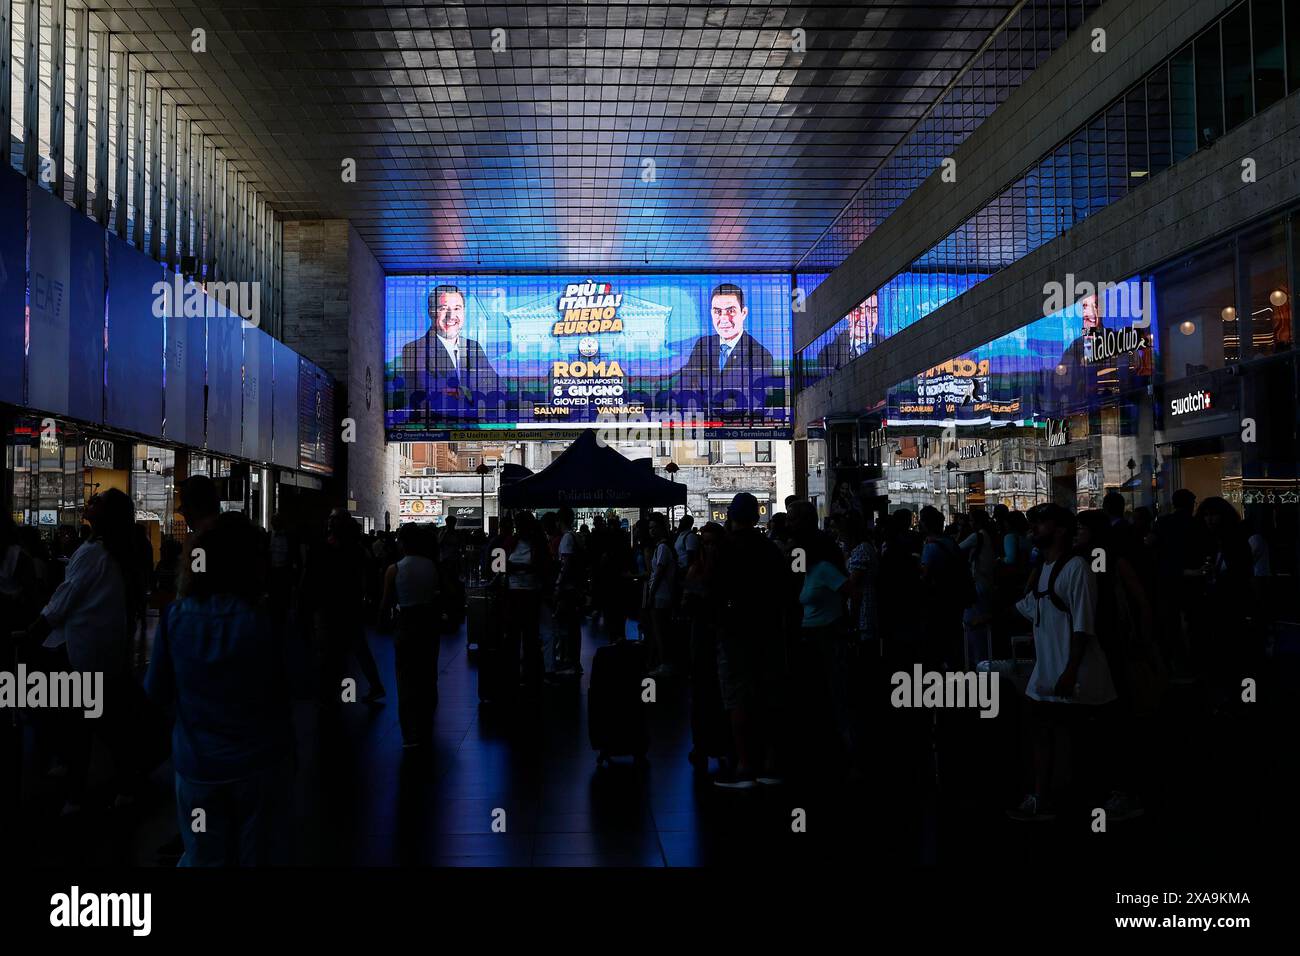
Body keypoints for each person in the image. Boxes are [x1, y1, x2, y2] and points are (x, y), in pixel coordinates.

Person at [145, 512, 294, 865]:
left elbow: (155, 692)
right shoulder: (265, 621)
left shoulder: (175, 618)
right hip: (259, 763)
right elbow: (300, 682)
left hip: (198, 766)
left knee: (203, 854)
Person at [15, 489, 148, 814]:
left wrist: (33, 632)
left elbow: (64, 599)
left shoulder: (92, 552)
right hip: (104, 650)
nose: (90, 501)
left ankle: (75, 790)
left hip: (82, 650)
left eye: (97, 501)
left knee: (78, 721)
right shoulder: (118, 552)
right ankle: (115, 786)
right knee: (100, 722)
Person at [1009, 503, 1116, 822]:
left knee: (1080, 744)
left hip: (1076, 677)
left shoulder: (1077, 569)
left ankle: (1084, 799)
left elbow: (1084, 626)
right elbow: (1029, 607)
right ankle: (1047, 798)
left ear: (1060, 530)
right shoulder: (1046, 567)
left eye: (1041, 523)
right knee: (1048, 737)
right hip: (1052, 675)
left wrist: (1070, 670)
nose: (1034, 528)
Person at [713, 493, 790, 790]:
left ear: (731, 516)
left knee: (738, 698)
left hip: (734, 632)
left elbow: (714, 590)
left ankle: (745, 764)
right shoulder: (771, 550)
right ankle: (771, 762)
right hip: (768, 630)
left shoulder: (725, 549)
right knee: (770, 694)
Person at [302, 509, 387, 707]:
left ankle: (333, 693)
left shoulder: (322, 548)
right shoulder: (357, 550)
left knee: (329, 649)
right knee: (357, 648)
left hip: (329, 606)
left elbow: (311, 579)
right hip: (349, 605)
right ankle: (354, 691)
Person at [379, 522, 441, 748]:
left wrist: (381, 622)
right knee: (428, 675)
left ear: (403, 543)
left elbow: (386, 603)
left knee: (405, 678)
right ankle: (426, 724)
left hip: (406, 623)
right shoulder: (431, 566)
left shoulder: (394, 569)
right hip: (429, 622)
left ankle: (409, 732)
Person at [396, 285, 500, 417]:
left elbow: (498, 388)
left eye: (457, 308)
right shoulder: (414, 350)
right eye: (443, 309)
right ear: (431, 312)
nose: (451, 316)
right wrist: (476, 392)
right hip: (435, 430)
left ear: (463, 312)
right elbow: (425, 396)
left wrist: (464, 392)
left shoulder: (473, 347)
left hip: (474, 430)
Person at [674, 283, 777, 405]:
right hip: (701, 422)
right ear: (711, 313)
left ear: (743, 313)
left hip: (737, 423)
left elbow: (747, 402)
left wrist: (702, 399)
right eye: (717, 311)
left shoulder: (760, 356)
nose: (724, 318)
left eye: (731, 311)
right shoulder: (703, 346)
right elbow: (680, 391)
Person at [505, 511, 547, 690]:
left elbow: (542, 567)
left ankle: (527, 671)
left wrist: (517, 567)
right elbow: (500, 566)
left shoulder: (536, 543)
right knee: (519, 634)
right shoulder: (512, 542)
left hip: (527, 592)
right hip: (519, 592)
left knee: (527, 634)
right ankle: (519, 671)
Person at [553, 506, 584, 676]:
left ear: (560, 521)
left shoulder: (566, 539)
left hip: (568, 589)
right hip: (576, 588)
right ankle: (574, 662)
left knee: (566, 626)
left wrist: (558, 585)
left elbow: (565, 565)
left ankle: (570, 662)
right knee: (574, 627)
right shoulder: (576, 536)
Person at [646, 513, 678, 677]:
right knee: (660, 629)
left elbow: (658, 573)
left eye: (654, 527)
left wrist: (651, 594)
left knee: (660, 630)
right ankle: (664, 662)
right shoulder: (663, 547)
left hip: (661, 595)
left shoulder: (663, 548)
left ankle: (665, 663)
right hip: (662, 594)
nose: (651, 531)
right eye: (650, 528)